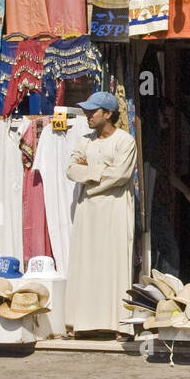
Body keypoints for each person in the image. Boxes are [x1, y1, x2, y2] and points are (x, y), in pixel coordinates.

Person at [66, 91, 137, 336]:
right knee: (86, 260)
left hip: (114, 206)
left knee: (113, 261)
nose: (87, 116)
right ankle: (82, 321)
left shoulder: (124, 141)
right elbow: (72, 169)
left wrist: (91, 176)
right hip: (88, 208)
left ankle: (118, 322)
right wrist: (100, 171)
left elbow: (121, 175)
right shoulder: (86, 140)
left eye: (92, 111)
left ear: (108, 114)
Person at [144, 101, 190, 276]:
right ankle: (167, 288)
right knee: (168, 249)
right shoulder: (150, 142)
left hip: (158, 201)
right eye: (165, 115)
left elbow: (166, 173)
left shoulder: (160, 141)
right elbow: (165, 173)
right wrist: (188, 192)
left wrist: (187, 193)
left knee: (157, 247)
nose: (168, 120)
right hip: (151, 202)